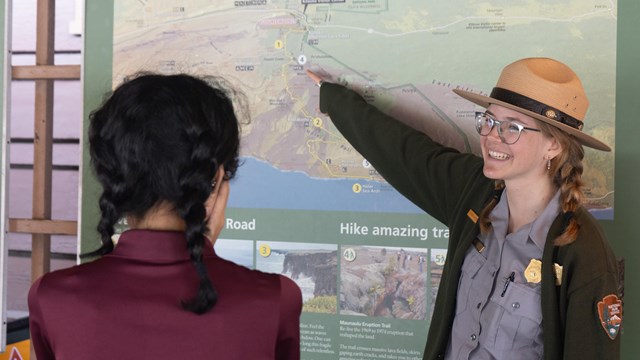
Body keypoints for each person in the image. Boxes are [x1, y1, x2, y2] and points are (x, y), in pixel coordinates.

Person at [307, 57, 621, 360]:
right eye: (489, 121)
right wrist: (334, 100)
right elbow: (402, 152)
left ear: (554, 145)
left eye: (512, 128)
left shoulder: (581, 249)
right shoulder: (475, 192)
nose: (492, 138)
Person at [28, 73, 302, 359]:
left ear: (113, 180)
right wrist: (200, 249)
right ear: (217, 179)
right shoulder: (275, 300)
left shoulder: (51, 298)